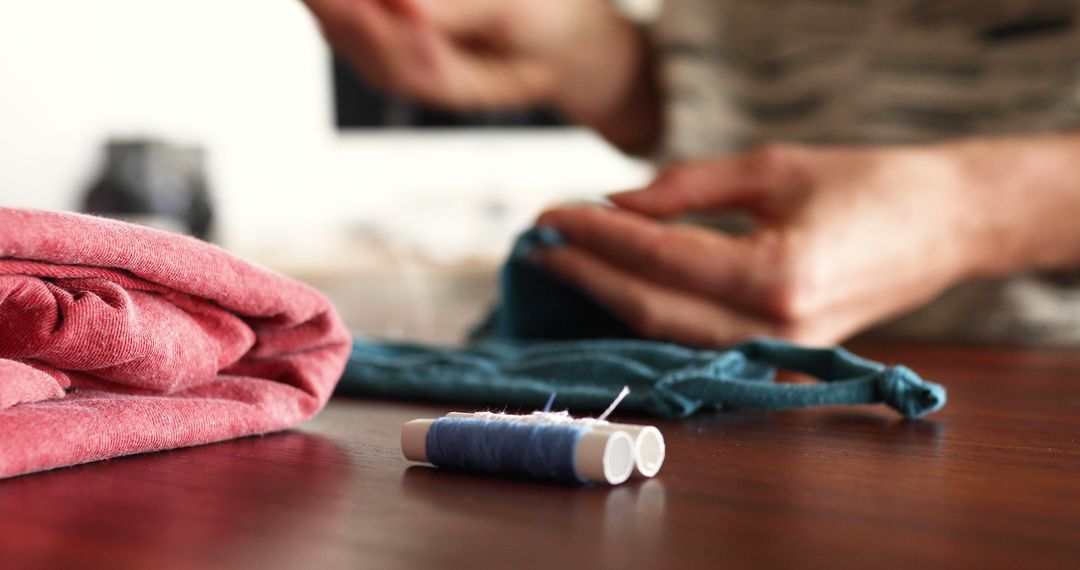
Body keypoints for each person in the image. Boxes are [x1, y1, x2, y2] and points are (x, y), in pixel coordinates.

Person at [302, 0, 1080, 347]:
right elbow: (767, 64)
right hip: (729, 375)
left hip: (1038, 398)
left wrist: (972, 211)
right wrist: (589, 52)